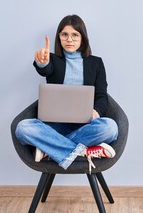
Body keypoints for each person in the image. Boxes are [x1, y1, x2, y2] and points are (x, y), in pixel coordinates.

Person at [15, 15, 118, 173]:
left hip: (86, 126)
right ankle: (83, 152)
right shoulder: (53, 60)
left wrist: (96, 112)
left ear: (83, 38)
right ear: (59, 37)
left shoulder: (96, 63)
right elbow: (45, 68)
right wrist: (42, 62)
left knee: (111, 128)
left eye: (75, 35)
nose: (69, 39)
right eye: (64, 35)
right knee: (22, 128)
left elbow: (102, 96)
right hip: (54, 127)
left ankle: (49, 149)